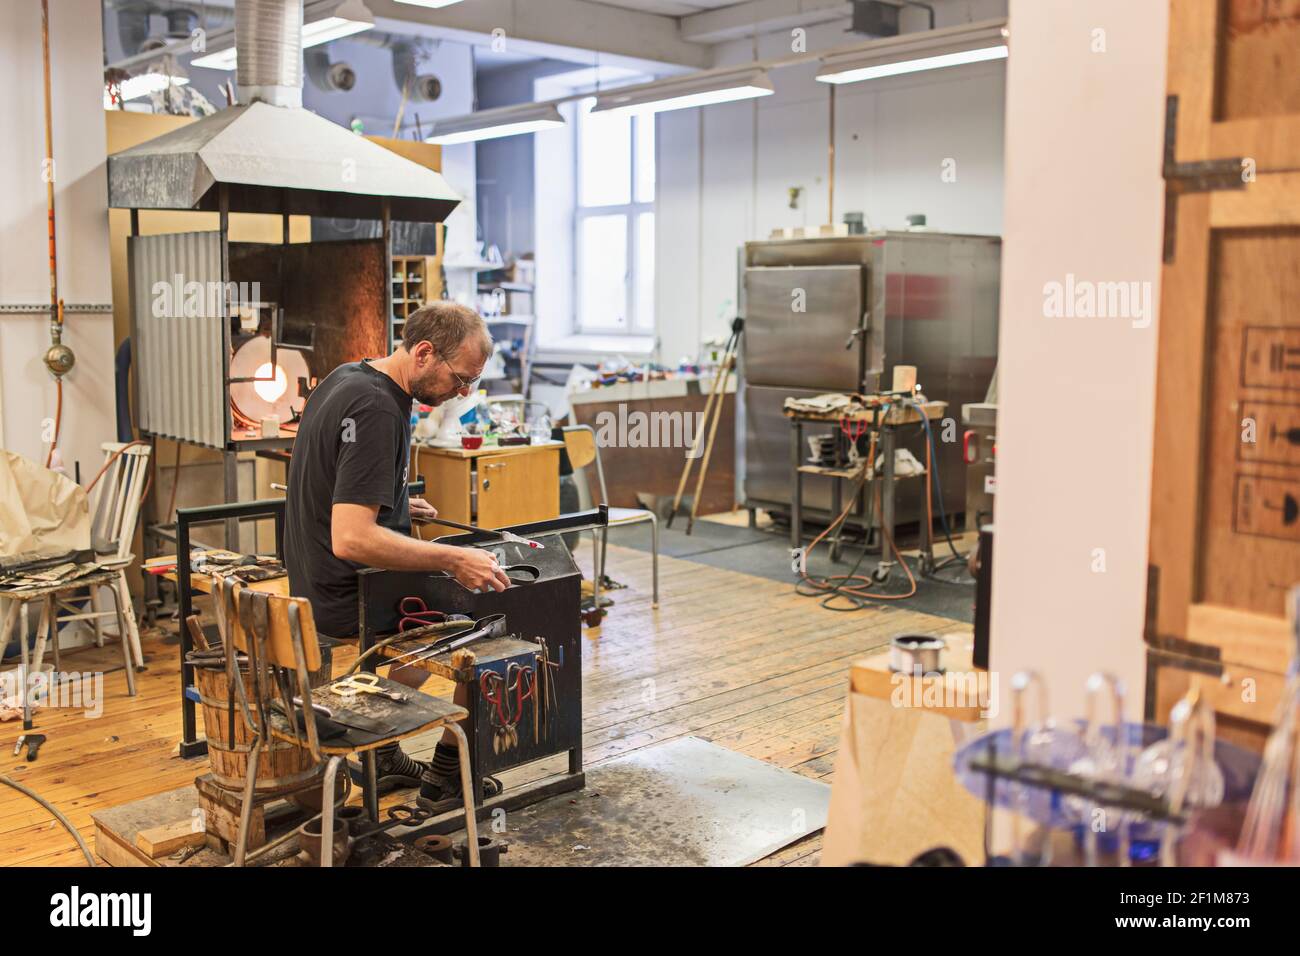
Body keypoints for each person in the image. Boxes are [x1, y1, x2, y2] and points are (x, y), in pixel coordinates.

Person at [283, 301, 510, 803]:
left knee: (452, 601)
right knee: (487, 615)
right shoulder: (379, 408)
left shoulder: (350, 376)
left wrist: (393, 497)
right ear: (425, 352)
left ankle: (383, 757)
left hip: (310, 577)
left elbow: (334, 476)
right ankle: (448, 776)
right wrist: (453, 559)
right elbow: (352, 539)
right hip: (346, 593)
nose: (464, 392)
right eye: (461, 378)